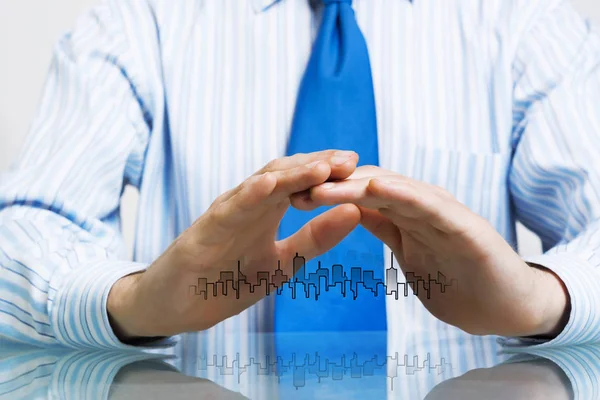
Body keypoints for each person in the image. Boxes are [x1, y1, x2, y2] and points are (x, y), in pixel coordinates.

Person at [0, 0, 599, 352]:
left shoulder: (528, 21)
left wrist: (540, 297)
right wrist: (131, 302)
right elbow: (22, 232)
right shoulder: (144, 18)